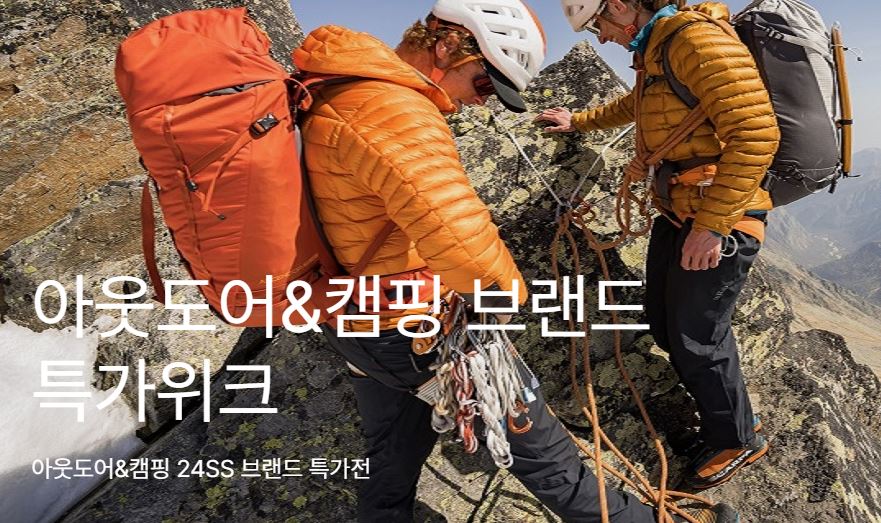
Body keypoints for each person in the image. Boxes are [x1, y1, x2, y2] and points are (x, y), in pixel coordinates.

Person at [293, 0, 737, 521]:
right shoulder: (395, 112)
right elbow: (460, 238)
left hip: (353, 319)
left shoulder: (335, 87)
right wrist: (508, 295)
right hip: (415, 327)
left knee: (392, 450)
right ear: (447, 46)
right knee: (544, 452)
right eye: (484, 83)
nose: (481, 101)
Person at [537, 0, 778, 490]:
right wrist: (579, 121)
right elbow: (639, 105)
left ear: (619, 6)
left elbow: (755, 133)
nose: (602, 38)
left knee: (697, 336)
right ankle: (725, 415)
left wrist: (712, 227)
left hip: (718, 217)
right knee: (665, 323)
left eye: (597, 25)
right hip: (681, 211)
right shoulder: (658, 49)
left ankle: (738, 440)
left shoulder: (694, 39)